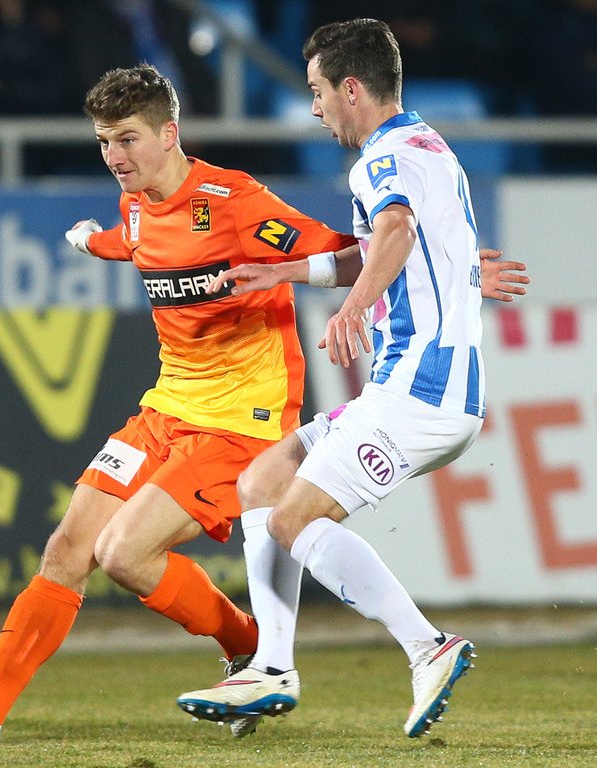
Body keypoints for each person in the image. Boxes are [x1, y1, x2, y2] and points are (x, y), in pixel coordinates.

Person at [0, 62, 358, 750]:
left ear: (169, 133)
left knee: (123, 554)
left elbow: (348, 254)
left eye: (127, 139)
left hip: (240, 425)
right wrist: (87, 241)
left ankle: (250, 647)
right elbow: (129, 242)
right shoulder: (134, 206)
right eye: (103, 141)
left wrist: (443, 271)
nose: (114, 156)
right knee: (68, 548)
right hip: (164, 412)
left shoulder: (236, 202)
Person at [176, 18, 527, 739]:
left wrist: (354, 308)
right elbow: (388, 246)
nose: (314, 108)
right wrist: (284, 271)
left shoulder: (379, 160)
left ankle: (427, 647)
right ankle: (271, 668)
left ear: (353, 88)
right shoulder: (428, 146)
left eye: (317, 91)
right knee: (263, 482)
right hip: (426, 388)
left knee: (293, 520)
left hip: (419, 391)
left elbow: (394, 233)